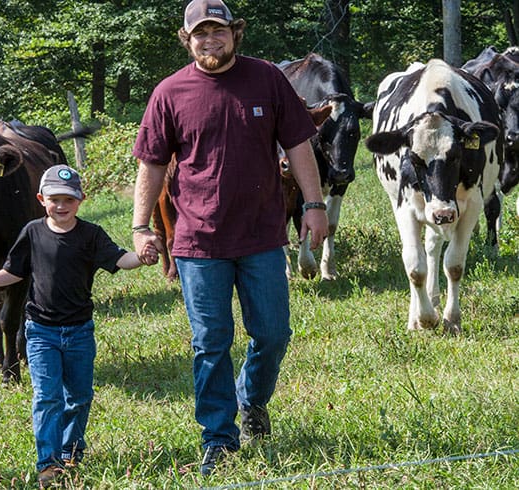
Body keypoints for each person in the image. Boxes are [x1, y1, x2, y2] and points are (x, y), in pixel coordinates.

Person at [131, 0, 329, 476]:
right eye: (200, 34)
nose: (210, 40)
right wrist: (141, 226)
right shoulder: (169, 92)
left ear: (235, 34)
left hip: (262, 235)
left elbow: (299, 145)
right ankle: (219, 437)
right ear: (187, 40)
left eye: (218, 31)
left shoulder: (266, 79)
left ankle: (252, 400)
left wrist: (315, 204)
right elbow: (152, 164)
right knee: (210, 341)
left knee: (273, 333)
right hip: (198, 242)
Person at [0, 164, 156, 488]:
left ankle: (72, 452)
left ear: (80, 199)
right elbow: (13, 271)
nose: (61, 205)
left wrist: (142, 257)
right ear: (42, 199)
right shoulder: (32, 232)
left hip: (80, 331)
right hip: (40, 331)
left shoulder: (91, 235)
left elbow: (120, 259)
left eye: (68, 199)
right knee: (47, 397)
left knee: (80, 396)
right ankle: (49, 462)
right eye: (54, 199)